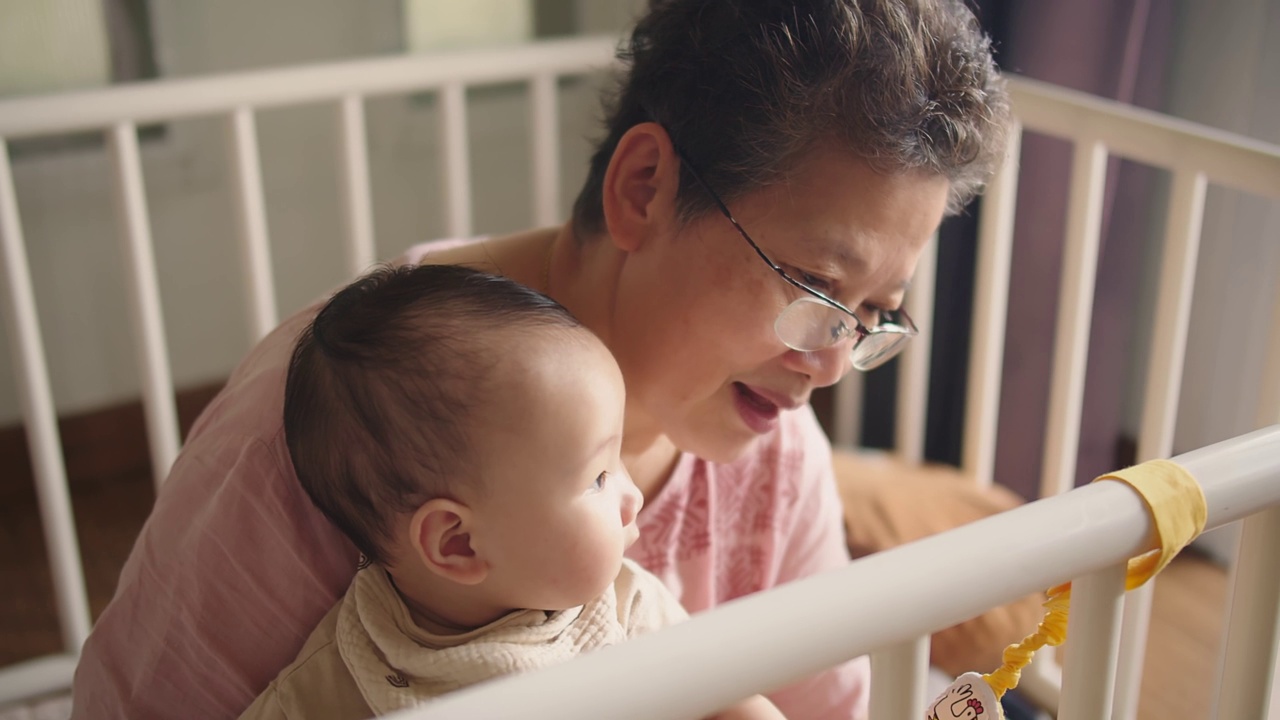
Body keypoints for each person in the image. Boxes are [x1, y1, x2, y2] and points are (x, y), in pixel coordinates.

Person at [71, 1, 1009, 718]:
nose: (832, 366)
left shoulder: (772, 448)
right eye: (813, 287)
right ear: (644, 187)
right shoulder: (342, 420)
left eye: (872, 317)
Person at [237, 263, 784, 719]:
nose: (631, 494)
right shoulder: (341, 674)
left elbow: (730, 697)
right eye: (598, 478)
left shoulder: (623, 604)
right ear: (458, 544)